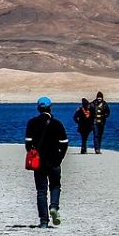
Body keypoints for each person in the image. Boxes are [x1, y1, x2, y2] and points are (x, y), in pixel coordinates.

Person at [24, 96, 69, 228]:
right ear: (51, 107)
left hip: (39, 162)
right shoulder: (57, 124)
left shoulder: (32, 123)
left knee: (41, 191)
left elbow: (28, 144)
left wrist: (33, 154)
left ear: (38, 108)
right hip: (54, 161)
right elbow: (64, 143)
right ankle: (54, 207)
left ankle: (44, 221)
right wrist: (60, 157)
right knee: (55, 186)